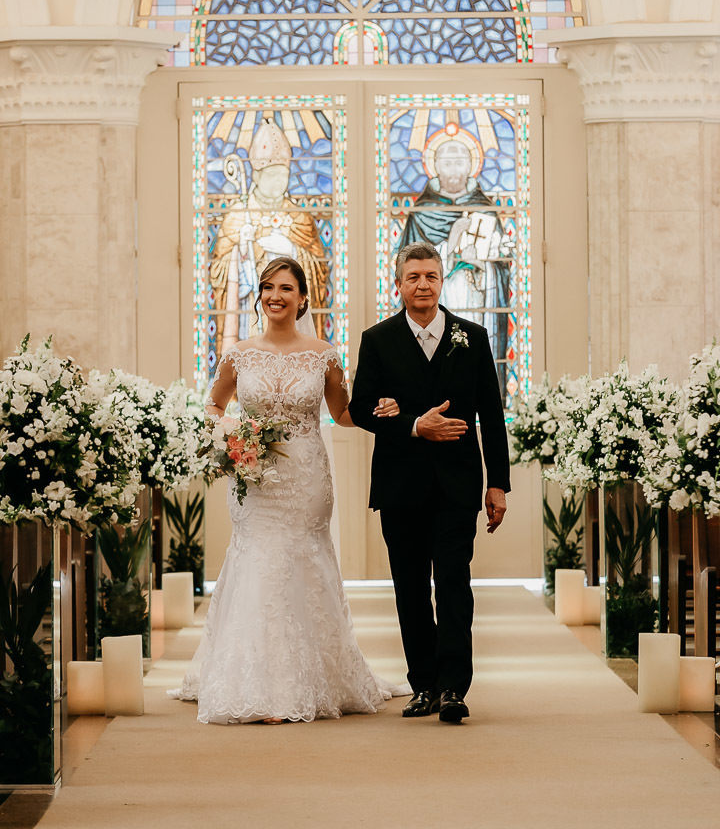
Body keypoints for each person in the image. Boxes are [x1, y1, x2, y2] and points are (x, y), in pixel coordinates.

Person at [170, 256, 405, 724]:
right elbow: (213, 406)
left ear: (302, 298)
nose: (275, 296)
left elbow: (342, 413)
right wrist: (235, 437)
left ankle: (313, 675)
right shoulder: (239, 353)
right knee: (258, 560)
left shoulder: (324, 354)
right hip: (256, 476)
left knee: (302, 559)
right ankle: (258, 683)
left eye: (286, 288)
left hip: (306, 476)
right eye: (268, 287)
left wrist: (388, 411)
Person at [349, 242, 510, 724]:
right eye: (413, 276)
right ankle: (423, 685)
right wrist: (415, 425)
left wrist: (498, 484)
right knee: (411, 589)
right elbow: (360, 410)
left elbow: (492, 416)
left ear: (442, 282)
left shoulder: (473, 337)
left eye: (431, 277)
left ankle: (454, 688)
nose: (422, 285)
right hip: (401, 487)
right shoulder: (377, 340)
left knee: (455, 585)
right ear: (397, 284)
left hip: (458, 485)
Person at [399, 133, 512, 399]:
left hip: (477, 301)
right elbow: (408, 266)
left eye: (459, 163)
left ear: (470, 166)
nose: (453, 171)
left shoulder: (484, 209)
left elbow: (502, 264)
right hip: (439, 301)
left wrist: (483, 265)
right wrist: (450, 246)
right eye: (447, 164)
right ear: (435, 167)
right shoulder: (422, 212)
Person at [210, 119, 329, 351]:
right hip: (248, 319)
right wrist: (240, 251)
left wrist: (292, 251)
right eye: (271, 175)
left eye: (282, 175)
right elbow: (218, 274)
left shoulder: (299, 217)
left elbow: (319, 271)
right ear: (256, 176)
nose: (278, 183)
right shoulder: (237, 216)